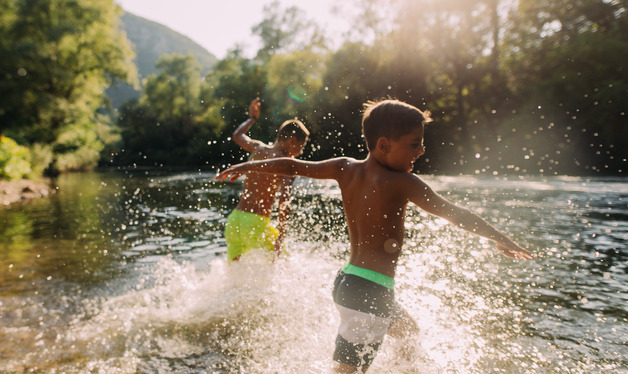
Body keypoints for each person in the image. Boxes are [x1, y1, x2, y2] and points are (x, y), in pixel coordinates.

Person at [216, 99, 534, 372]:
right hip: (369, 290)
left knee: (409, 334)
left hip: (352, 283)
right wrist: (498, 236)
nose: (421, 151)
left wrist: (249, 167)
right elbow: (453, 212)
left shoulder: (344, 167)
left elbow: (294, 166)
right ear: (384, 145)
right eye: (414, 144)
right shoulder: (402, 183)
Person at [224, 97, 310, 261]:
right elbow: (284, 200)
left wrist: (252, 118)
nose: (300, 153)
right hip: (256, 224)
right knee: (282, 263)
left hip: (235, 220)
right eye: (301, 146)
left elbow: (237, 135)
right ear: (292, 141)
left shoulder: (258, 148)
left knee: (234, 275)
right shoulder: (286, 164)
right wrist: (281, 237)